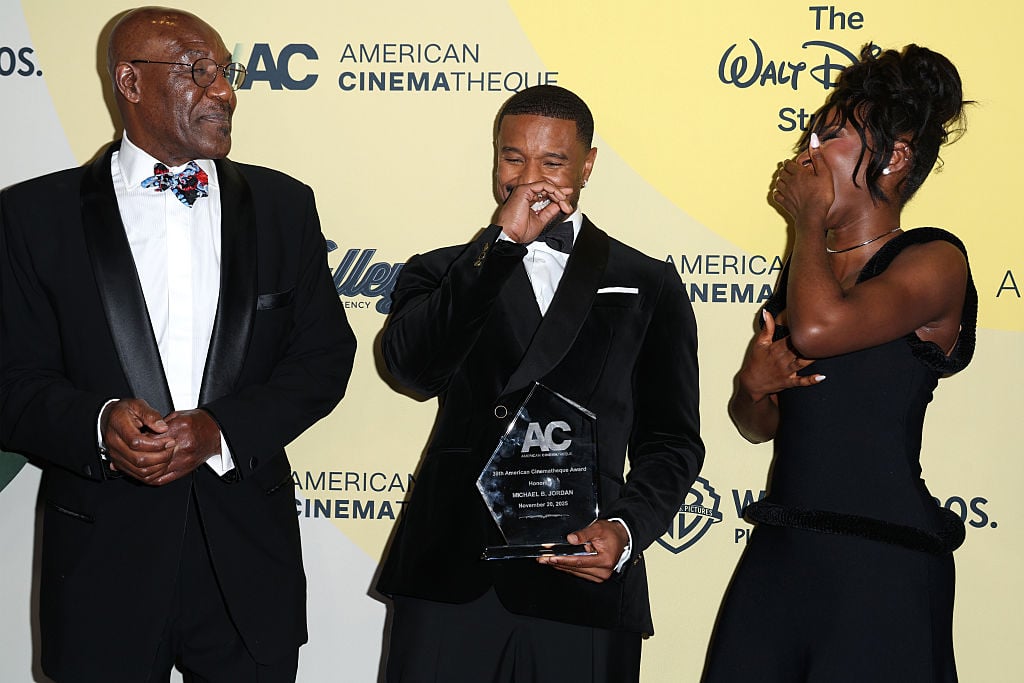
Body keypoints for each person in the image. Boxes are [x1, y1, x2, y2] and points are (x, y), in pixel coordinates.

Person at [0, 7, 356, 682]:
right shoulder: (30, 217)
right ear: (130, 83)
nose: (223, 91)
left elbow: (323, 358)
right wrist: (98, 423)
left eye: (226, 72)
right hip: (101, 570)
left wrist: (220, 429)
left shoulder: (285, 207)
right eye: (197, 71)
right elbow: (11, 379)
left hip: (249, 571)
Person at [375, 84, 704, 682]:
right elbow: (412, 372)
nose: (529, 179)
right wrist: (499, 249)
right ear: (494, 158)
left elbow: (672, 440)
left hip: (581, 573)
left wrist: (626, 531)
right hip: (452, 570)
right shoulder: (442, 272)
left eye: (552, 161)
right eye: (512, 157)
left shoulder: (649, 283)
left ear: (588, 164)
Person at [703, 44, 976, 682]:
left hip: (881, 560)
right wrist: (752, 387)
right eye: (811, 132)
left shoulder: (934, 260)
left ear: (896, 157)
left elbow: (824, 329)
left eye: (833, 136)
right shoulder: (807, 274)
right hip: (783, 549)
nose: (810, 150)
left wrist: (805, 220)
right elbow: (760, 424)